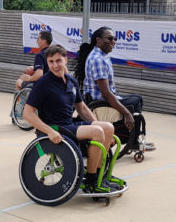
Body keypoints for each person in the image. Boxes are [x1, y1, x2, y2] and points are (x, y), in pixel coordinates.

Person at [23, 44, 121, 193]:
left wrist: (98, 125)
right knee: (97, 132)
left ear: (65, 60)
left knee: (108, 127)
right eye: (51, 62)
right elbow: (27, 113)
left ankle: (102, 175)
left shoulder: (70, 81)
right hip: (55, 127)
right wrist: (49, 131)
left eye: (58, 60)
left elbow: (81, 108)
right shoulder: (43, 83)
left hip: (69, 124)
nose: (55, 65)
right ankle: (92, 180)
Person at [74, 26, 155, 150]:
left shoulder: (101, 56)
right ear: (98, 40)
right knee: (135, 102)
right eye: (110, 38)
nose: (113, 42)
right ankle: (133, 142)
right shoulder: (98, 59)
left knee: (137, 98)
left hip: (100, 98)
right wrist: (127, 113)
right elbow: (106, 93)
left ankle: (133, 139)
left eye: (115, 39)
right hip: (99, 102)